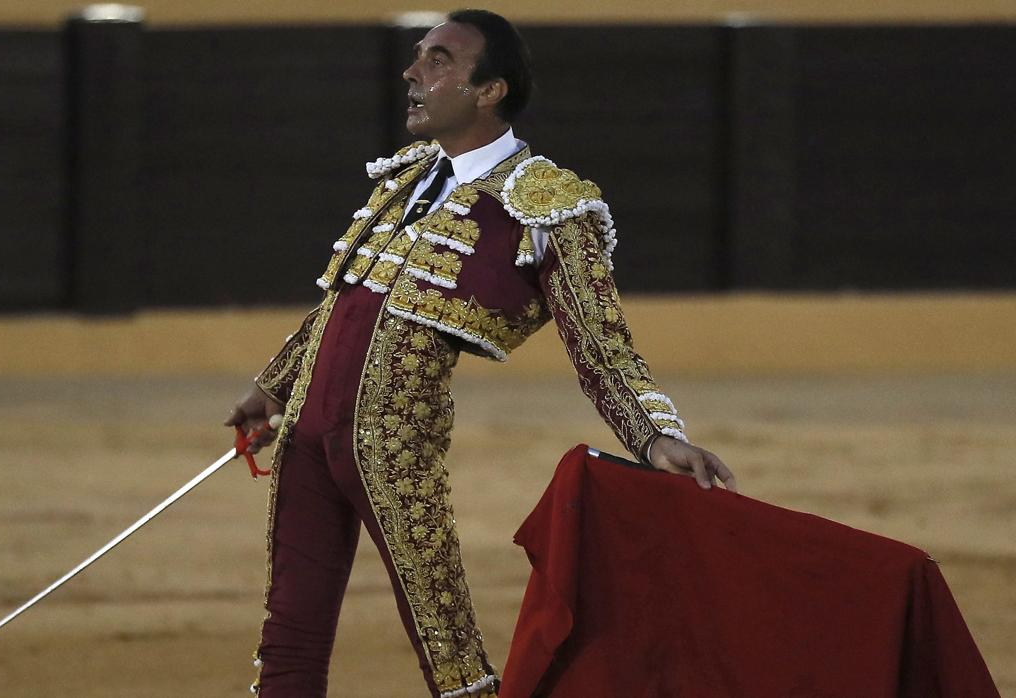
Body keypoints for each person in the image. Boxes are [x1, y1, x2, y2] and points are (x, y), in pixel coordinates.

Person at [225, 9, 737, 697]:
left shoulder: (548, 205)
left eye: (439, 60)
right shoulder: (406, 177)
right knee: (289, 632)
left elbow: (599, 344)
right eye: (417, 57)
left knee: (446, 639)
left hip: (394, 441)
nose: (414, 73)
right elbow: (349, 296)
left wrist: (654, 437)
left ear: (489, 89)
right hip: (307, 437)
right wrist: (277, 385)